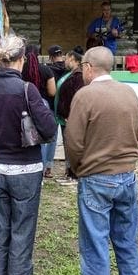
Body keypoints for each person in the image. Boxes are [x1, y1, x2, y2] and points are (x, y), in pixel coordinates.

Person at [64, 46, 138, 275]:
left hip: (95, 177)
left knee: (94, 248)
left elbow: (74, 141)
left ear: (88, 67)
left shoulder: (85, 96)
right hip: (127, 176)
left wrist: (78, 169)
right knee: (127, 243)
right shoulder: (129, 92)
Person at [0, 35, 57, 275]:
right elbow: (50, 129)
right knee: (22, 237)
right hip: (26, 170)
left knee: (1, 234)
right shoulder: (27, 89)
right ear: (22, 59)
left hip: (1, 169)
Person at [22, 44, 56, 178]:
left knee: (25, 134)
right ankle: (42, 168)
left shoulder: (21, 70)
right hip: (43, 105)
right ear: (38, 54)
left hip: (23, 104)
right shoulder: (46, 70)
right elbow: (52, 92)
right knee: (43, 136)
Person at [54, 48, 85, 185]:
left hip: (70, 118)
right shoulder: (70, 74)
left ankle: (74, 174)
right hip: (64, 117)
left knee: (72, 146)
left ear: (73, 59)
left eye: (66, 58)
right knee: (67, 146)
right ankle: (69, 172)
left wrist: (71, 114)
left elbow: (77, 97)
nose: (64, 61)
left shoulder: (78, 76)